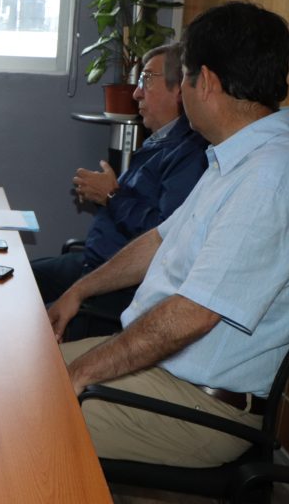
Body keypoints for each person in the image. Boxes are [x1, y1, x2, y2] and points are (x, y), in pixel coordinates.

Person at [51, 1, 289, 468]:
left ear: (204, 81)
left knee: (24, 417)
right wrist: (79, 291)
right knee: (21, 380)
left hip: (200, 407)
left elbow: (192, 316)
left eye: (184, 76)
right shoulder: (238, 159)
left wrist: (83, 372)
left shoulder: (271, 181)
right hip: (165, 372)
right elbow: (160, 241)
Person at [31, 44, 208, 340]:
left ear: (178, 89)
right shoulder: (158, 142)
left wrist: (111, 196)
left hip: (119, 287)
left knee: (29, 328)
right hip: (93, 263)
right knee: (16, 282)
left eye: (146, 80)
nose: (136, 93)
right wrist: (107, 195)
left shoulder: (189, 155)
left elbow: (164, 235)